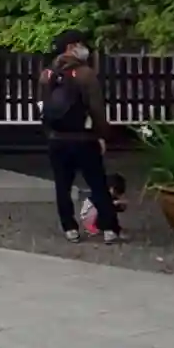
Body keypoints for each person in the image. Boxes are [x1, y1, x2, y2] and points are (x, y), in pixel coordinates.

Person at [41, 30, 123, 246]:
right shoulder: (86, 74)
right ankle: (109, 228)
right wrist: (102, 135)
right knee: (97, 183)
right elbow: (97, 110)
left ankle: (69, 228)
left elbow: (43, 107)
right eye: (81, 44)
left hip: (57, 139)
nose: (84, 48)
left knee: (62, 185)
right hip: (84, 138)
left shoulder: (47, 74)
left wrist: (49, 133)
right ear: (71, 47)